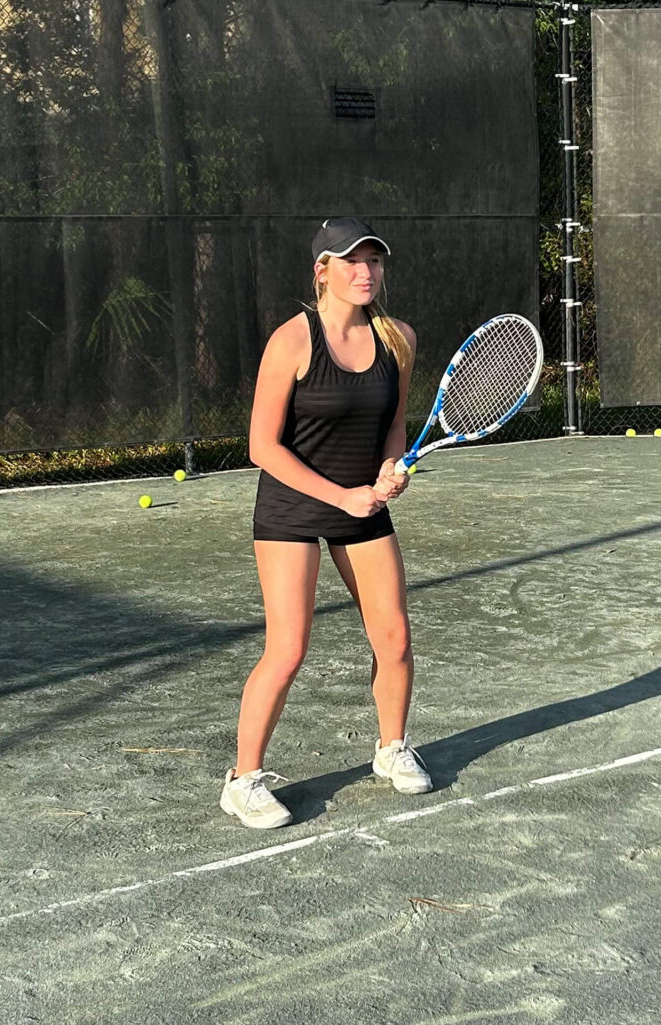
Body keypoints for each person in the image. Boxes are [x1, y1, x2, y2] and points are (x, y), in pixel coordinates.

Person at [220, 217, 431, 829]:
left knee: (393, 639)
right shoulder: (292, 340)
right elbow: (262, 445)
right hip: (293, 504)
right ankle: (243, 779)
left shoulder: (399, 340)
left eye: (374, 261)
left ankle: (391, 749)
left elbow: (393, 422)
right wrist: (340, 497)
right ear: (323, 271)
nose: (365, 272)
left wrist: (392, 468)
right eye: (350, 262)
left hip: (363, 501)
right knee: (287, 649)